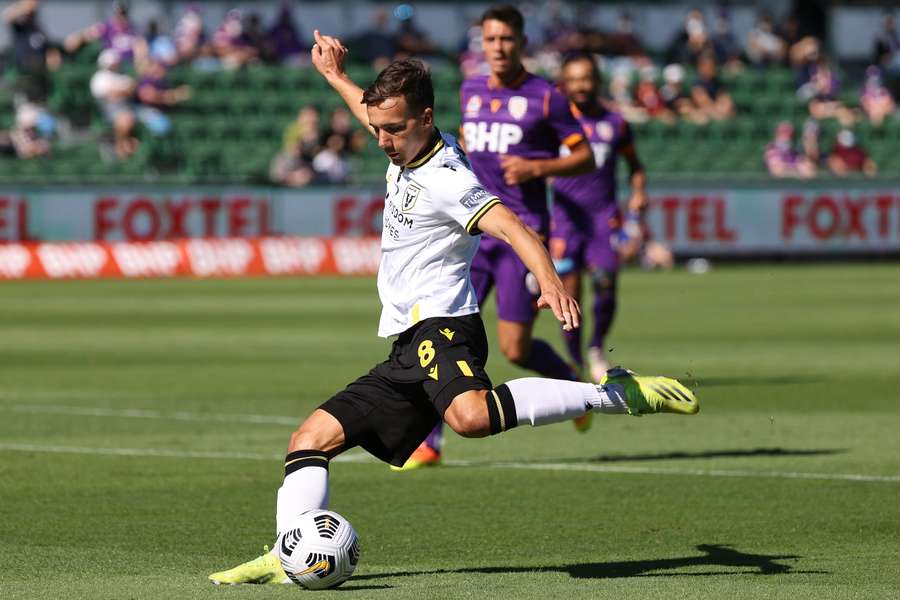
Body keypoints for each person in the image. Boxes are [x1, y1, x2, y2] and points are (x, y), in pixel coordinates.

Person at [207, 30, 698, 587]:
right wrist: (334, 76)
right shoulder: (404, 144)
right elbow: (369, 114)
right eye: (379, 128)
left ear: (426, 118)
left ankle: (615, 393)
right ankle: (286, 552)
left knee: (469, 418)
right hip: (407, 345)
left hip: (445, 329)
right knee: (307, 441)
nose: (383, 140)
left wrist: (551, 283)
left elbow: (512, 224)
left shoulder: (448, 178)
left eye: (393, 129)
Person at [403, 5, 597, 470]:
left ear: (521, 42)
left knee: (513, 348)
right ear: (482, 43)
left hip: (519, 235)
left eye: (506, 39)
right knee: (439, 331)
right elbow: (468, 141)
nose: (498, 48)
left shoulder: (545, 96)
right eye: (490, 40)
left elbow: (586, 155)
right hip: (471, 233)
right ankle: (429, 442)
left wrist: (538, 167)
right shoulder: (470, 88)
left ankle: (569, 380)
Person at [550, 51, 647, 384]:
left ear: (597, 80)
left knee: (606, 286)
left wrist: (637, 195)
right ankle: (575, 361)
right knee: (569, 297)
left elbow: (635, 167)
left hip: (603, 219)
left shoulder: (615, 122)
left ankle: (595, 348)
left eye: (586, 78)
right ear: (565, 83)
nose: (581, 85)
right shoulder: (556, 123)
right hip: (565, 220)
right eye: (574, 79)